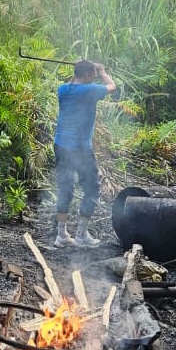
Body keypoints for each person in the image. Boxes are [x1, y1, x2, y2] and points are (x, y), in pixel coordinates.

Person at [52, 60, 116, 248]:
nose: (94, 78)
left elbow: (75, 79)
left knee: (65, 187)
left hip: (61, 145)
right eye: (92, 75)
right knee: (92, 188)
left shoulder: (63, 89)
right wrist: (103, 71)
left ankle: (61, 235)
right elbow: (113, 87)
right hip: (80, 148)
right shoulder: (89, 91)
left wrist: (83, 67)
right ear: (88, 76)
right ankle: (81, 236)